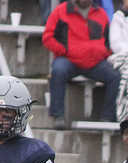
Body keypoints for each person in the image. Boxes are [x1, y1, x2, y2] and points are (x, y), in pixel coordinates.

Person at [42, 0, 120, 129]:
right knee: (58, 71)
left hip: (95, 62)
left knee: (115, 76)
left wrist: (101, 53)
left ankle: (108, 117)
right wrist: (64, 50)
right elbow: (47, 37)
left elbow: (108, 42)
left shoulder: (101, 13)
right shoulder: (60, 11)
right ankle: (58, 116)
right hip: (68, 59)